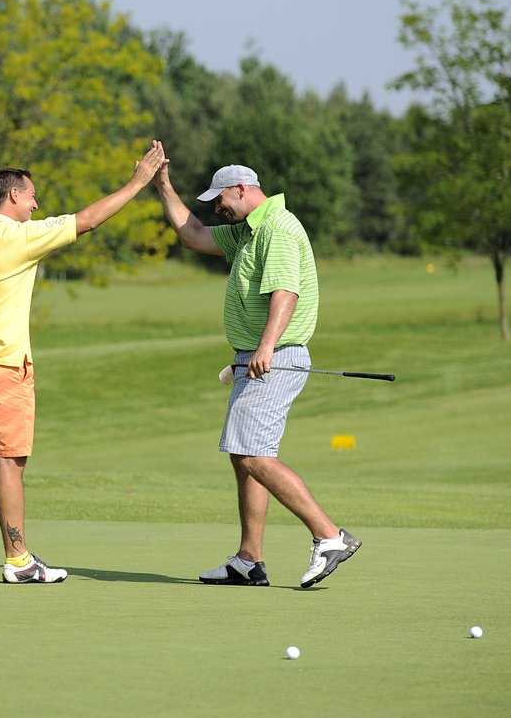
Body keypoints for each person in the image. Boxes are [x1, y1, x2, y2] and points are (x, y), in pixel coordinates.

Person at [0, 143, 167, 584]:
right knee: (9, 461)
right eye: (32, 196)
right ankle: (19, 560)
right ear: (14, 197)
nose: (37, 204)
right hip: (1, 366)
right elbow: (91, 219)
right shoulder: (22, 237)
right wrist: (138, 182)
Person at [151, 144, 361, 588]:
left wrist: (265, 347)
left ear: (241, 189)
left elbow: (286, 292)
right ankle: (250, 560)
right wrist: (163, 185)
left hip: (275, 357)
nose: (217, 208)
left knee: (252, 454)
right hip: (256, 358)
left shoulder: (277, 229)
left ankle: (329, 536)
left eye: (220, 199)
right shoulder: (248, 229)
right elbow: (192, 235)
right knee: (243, 457)